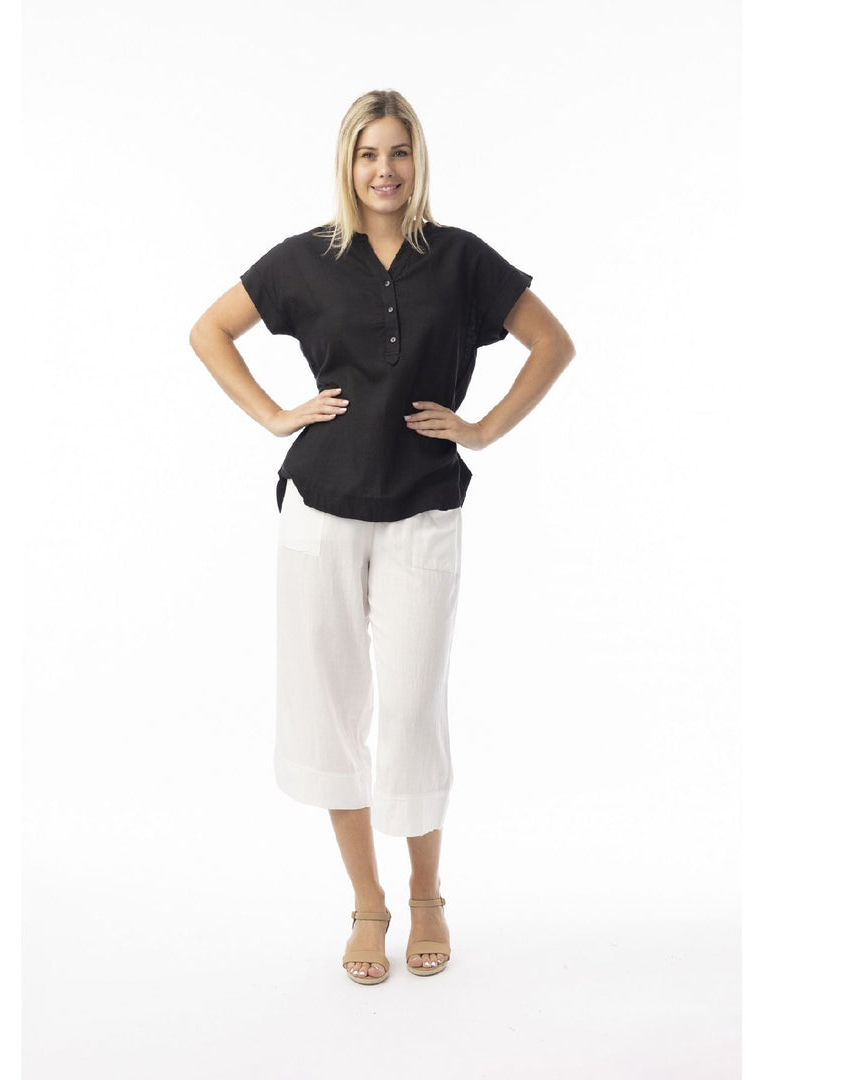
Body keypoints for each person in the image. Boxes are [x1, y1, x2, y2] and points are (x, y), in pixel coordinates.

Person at [188, 89, 576, 985]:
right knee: (329, 709)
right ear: (347, 163)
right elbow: (209, 331)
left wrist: (482, 430)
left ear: (418, 159)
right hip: (320, 508)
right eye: (369, 153)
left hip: (423, 507)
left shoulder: (462, 259)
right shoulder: (308, 259)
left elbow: (552, 344)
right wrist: (274, 414)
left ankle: (428, 893)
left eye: (399, 151)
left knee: (410, 710)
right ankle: (369, 904)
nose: (385, 170)